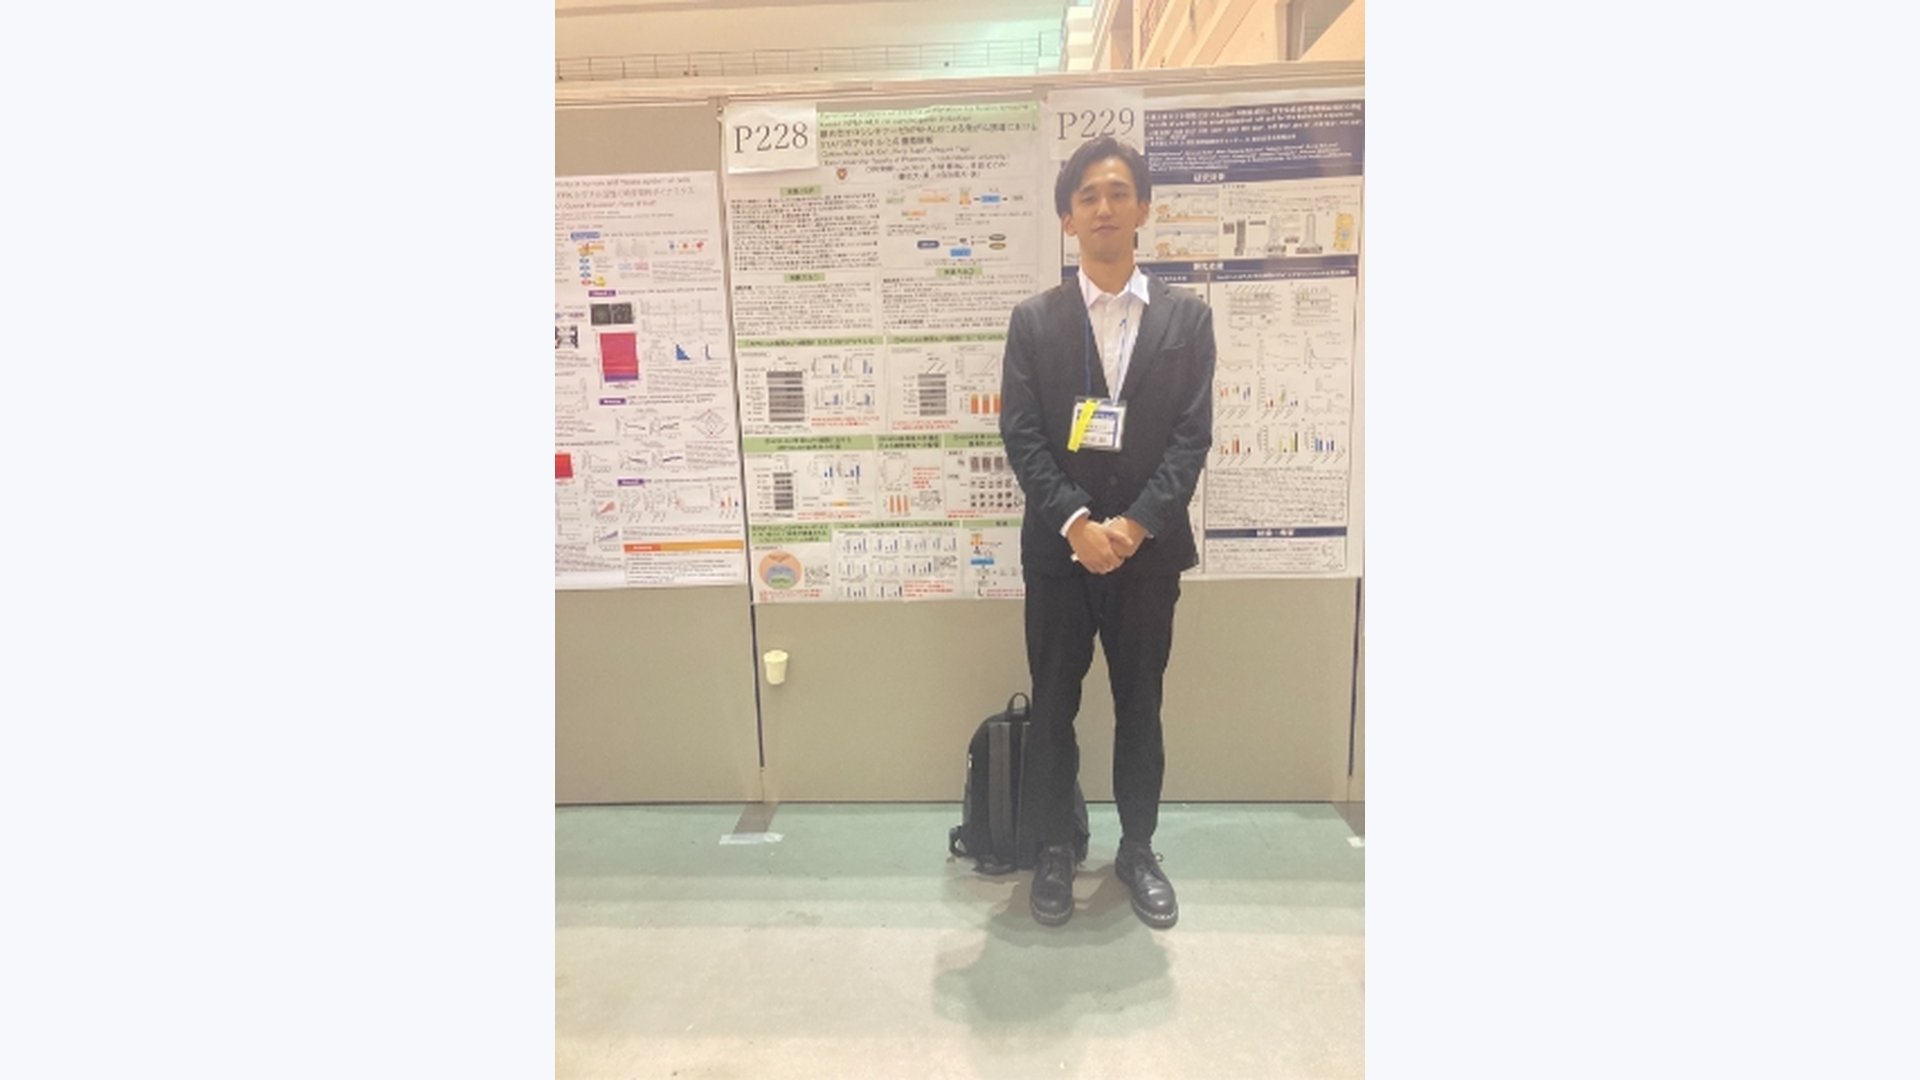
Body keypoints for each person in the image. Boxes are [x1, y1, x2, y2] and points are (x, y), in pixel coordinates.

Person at [998, 137, 1216, 929]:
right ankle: (1055, 848)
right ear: (1067, 218)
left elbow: (1191, 438)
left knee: (1140, 706)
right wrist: (1077, 523)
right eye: (1087, 196)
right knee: (1055, 705)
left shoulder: (1187, 319)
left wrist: (1132, 525)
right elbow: (1022, 434)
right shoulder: (1035, 321)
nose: (1104, 208)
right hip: (1060, 556)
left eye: (1119, 193)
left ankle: (1138, 849)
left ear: (1143, 209)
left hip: (1146, 556)